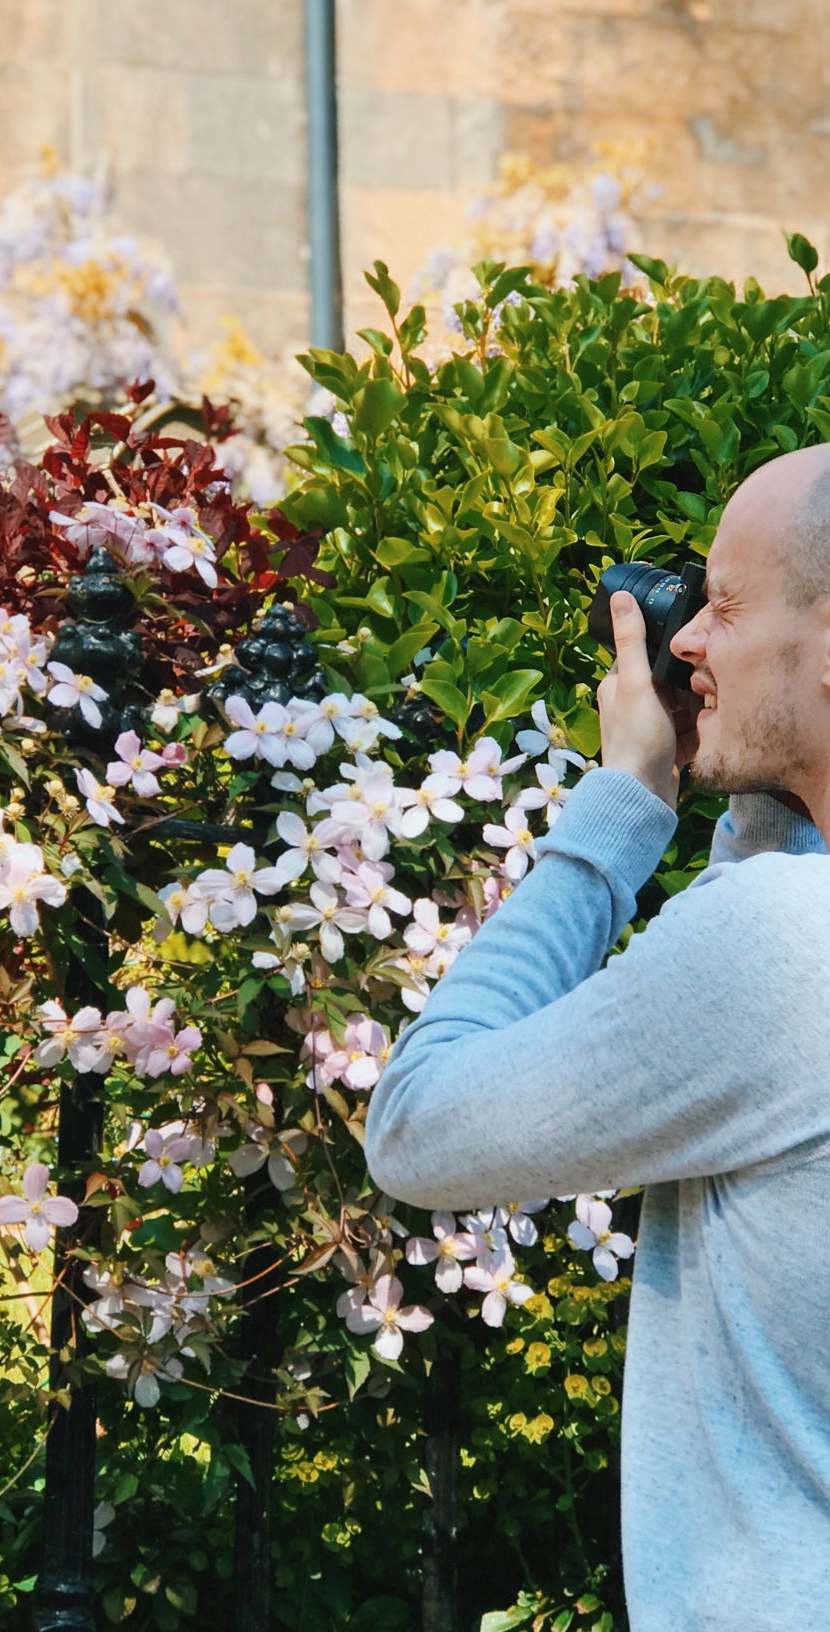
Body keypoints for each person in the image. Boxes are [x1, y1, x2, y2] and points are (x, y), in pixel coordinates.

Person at [364, 442, 830, 1632]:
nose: (683, 643)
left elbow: (418, 1126)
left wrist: (623, 807)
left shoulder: (779, 951)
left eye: (722, 608)